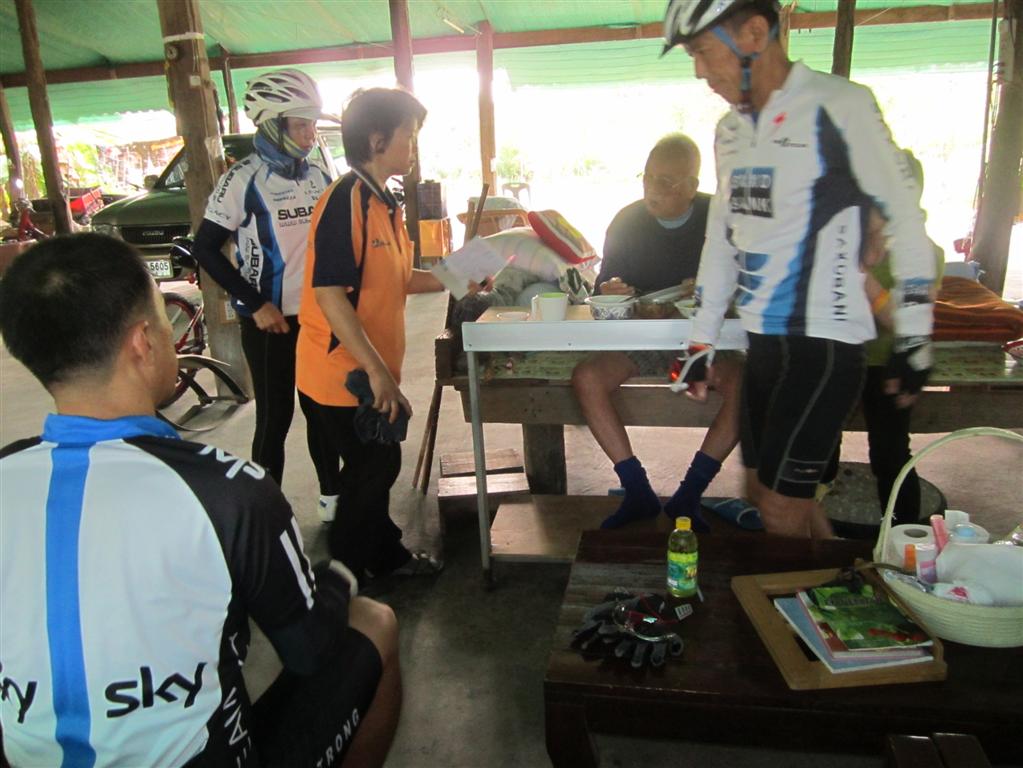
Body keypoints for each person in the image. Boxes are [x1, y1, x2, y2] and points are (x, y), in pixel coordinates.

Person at [0, 233, 400, 767]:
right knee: (373, 621)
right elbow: (309, 650)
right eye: (166, 325)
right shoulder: (227, 491)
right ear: (143, 342)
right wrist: (339, 576)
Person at [663, 0, 937, 538]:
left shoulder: (840, 106)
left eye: (703, 51)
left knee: (780, 509)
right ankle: (834, 583)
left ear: (754, 32)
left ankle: (791, 595)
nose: (698, 71)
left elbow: (905, 219)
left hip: (825, 344)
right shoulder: (728, 131)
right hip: (763, 344)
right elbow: (721, 239)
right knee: (762, 491)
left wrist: (914, 337)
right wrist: (700, 342)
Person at [297, 87, 474, 581]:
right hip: (340, 373)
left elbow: (401, 279)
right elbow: (330, 294)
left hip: (367, 368)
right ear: (377, 140)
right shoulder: (346, 200)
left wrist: (464, 273)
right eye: (409, 135)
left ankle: (383, 558)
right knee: (373, 468)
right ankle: (341, 583)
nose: (414, 146)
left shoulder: (384, 202)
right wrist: (376, 372)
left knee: (374, 466)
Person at [571, 133, 743, 530]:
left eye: (665, 181)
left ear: (692, 186)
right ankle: (637, 490)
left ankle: (690, 494)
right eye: (647, 177)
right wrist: (610, 288)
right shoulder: (627, 220)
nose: (652, 189)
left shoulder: (718, 217)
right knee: (587, 378)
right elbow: (602, 286)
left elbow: (745, 280)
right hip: (643, 338)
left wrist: (712, 288)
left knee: (746, 386)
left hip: (703, 339)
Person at [192, 68, 340, 522]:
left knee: (322, 411)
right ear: (273, 125)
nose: (310, 134)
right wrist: (255, 304)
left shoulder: (320, 173)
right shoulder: (243, 179)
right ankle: (266, 512)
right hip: (270, 321)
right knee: (275, 418)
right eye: (300, 124)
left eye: (312, 124)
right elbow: (205, 248)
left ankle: (333, 501)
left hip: (319, 317)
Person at [824, 150, 945, 526]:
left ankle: (903, 531)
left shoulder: (924, 252)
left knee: (890, 453)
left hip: (887, 363)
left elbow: (908, 318)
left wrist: (862, 278)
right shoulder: (848, 238)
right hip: (840, 354)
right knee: (821, 444)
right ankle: (814, 523)